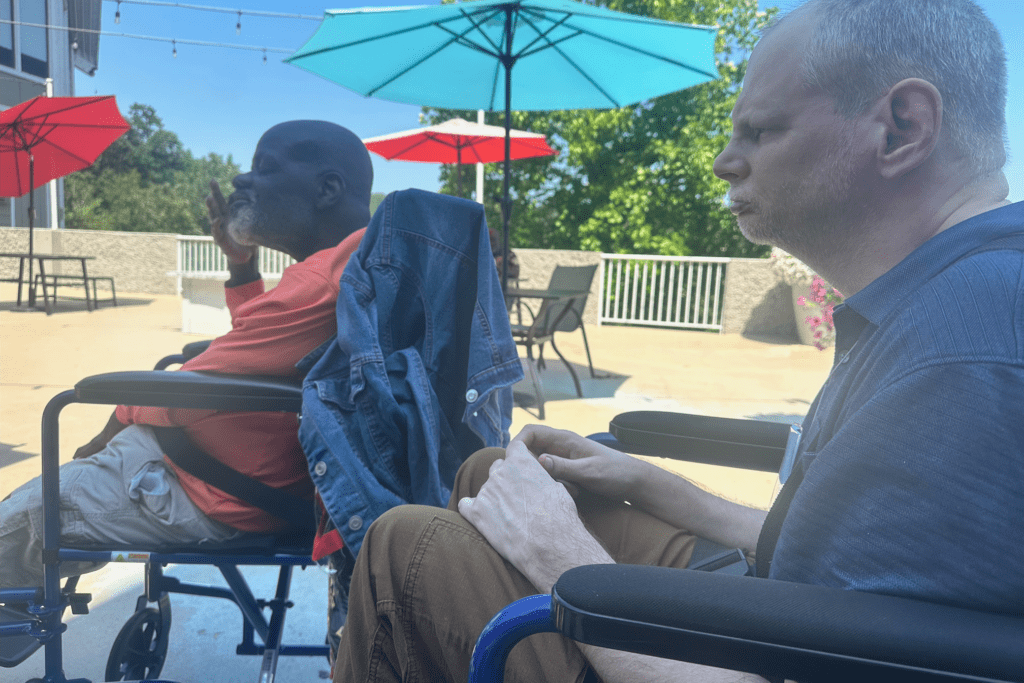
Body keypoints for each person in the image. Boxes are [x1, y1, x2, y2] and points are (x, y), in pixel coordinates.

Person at [330, 0, 1024, 681]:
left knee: (402, 550)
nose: (726, 162)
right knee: (492, 470)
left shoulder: (965, 361)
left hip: (754, 658)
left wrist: (563, 557)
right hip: (787, 601)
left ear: (902, 127)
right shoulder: (954, 294)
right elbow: (847, 564)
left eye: (758, 131)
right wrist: (650, 481)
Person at [0, 120, 374, 589]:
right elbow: (262, 343)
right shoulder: (352, 262)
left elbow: (190, 393)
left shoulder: (321, 281)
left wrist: (109, 427)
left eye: (266, 168)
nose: (243, 180)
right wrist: (242, 266)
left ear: (327, 189)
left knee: (29, 518)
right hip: (227, 473)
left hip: (211, 490)